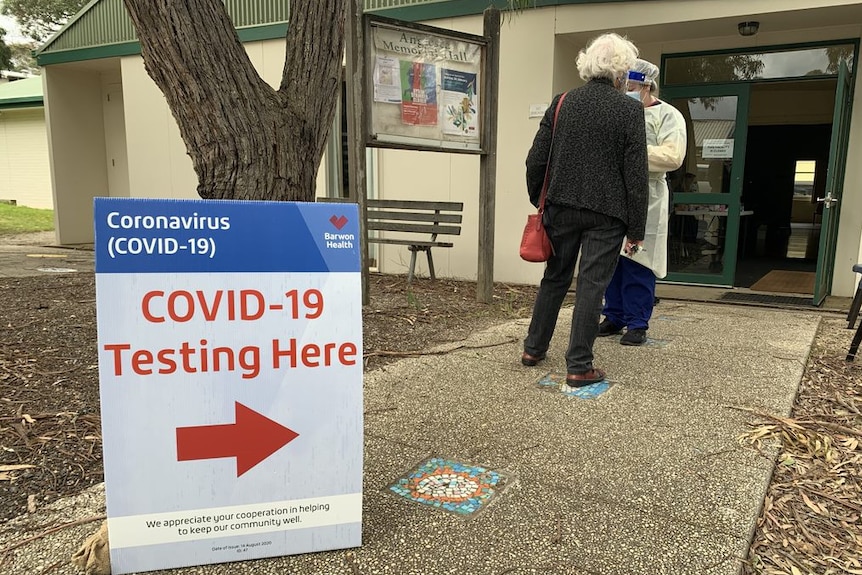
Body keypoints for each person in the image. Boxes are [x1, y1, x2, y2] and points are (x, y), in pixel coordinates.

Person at [521, 33, 649, 387]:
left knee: (555, 278)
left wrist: (541, 200)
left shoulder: (561, 102)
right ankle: (578, 366)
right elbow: (635, 175)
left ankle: (533, 348)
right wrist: (636, 228)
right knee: (592, 285)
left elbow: (535, 160)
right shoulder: (629, 110)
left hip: (560, 208)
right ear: (621, 72)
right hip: (607, 214)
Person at [599, 59, 687, 345]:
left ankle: (637, 322)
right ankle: (614, 315)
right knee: (612, 259)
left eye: (632, 86)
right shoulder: (618, 113)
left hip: (648, 195)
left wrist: (634, 152)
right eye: (623, 86)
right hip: (614, 193)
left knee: (639, 259)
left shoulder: (668, 115)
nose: (626, 91)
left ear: (647, 86)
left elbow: (673, 157)